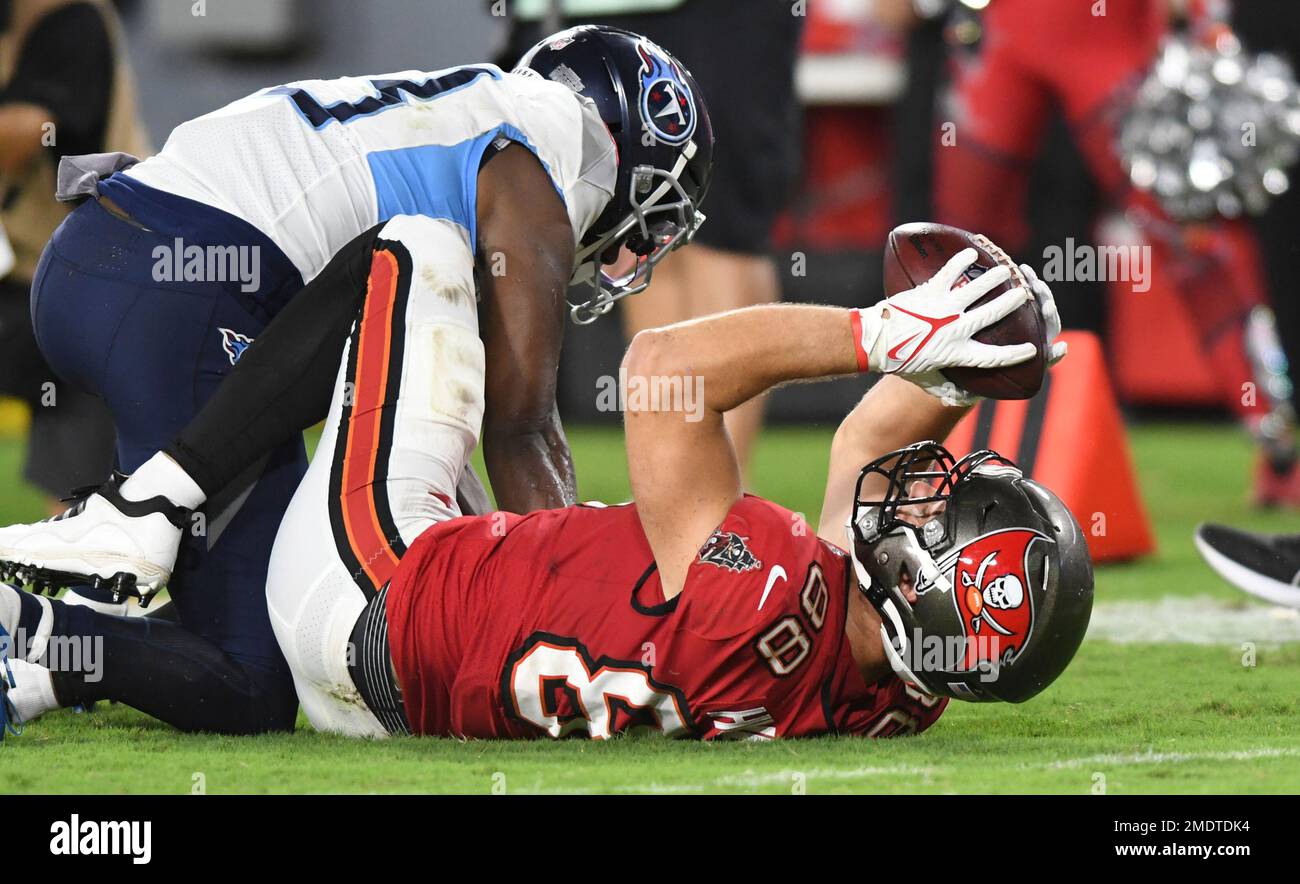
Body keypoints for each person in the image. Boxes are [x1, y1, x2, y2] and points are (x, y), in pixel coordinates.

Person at [1, 246, 1092, 740]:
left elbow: (661, 368)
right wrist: (982, 358)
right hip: (389, 697)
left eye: (930, 515)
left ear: (919, 583)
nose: (917, 491)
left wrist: (878, 330)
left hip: (371, 588)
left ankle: (147, 511)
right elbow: (867, 437)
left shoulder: (752, 590)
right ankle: (48, 654)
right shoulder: (897, 688)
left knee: (418, 247)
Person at [0, 25, 714, 733]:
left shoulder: (478, 113)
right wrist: (573, 615)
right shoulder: (535, 168)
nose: (627, 247)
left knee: (231, 596)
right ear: (622, 151)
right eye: (646, 217)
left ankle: (48, 637)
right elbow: (520, 425)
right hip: (174, 291)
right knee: (252, 678)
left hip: (108, 261)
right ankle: (124, 528)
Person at [927, 0, 1297, 505]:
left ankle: (1278, 443)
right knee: (956, 249)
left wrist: (1200, 18)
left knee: (1190, 239)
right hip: (1004, 32)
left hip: (1102, 36)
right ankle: (921, 447)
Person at [504, 0, 803, 476]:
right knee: (642, 239)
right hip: (591, 11)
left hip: (715, 16)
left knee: (724, 235)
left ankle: (722, 499)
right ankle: (669, 488)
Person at [0, 0, 150, 511]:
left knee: (87, 491)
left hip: (100, 275)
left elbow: (21, 131)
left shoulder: (72, 20)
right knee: (72, 480)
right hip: (49, 275)